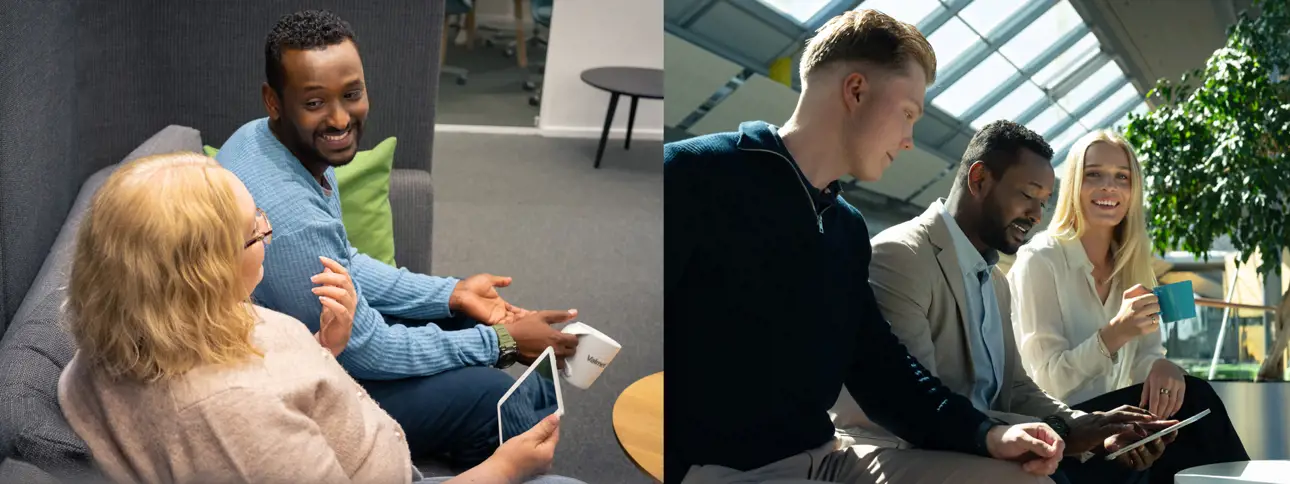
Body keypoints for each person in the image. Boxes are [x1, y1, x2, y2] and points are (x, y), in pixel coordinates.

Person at [666, 10, 1074, 484]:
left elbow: (883, 371)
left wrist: (986, 434)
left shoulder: (846, 227)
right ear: (856, 91)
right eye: (908, 114)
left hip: (827, 461)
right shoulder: (692, 176)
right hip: (722, 470)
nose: (909, 140)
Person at [56, 153, 583, 484]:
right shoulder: (229, 417)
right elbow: (243, 415)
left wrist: (321, 349)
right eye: (255, 229)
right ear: (202, 272)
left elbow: (265, 383)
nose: (269, 233)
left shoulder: (147, 321)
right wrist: (503, 469)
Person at [215, 10, 579, 467]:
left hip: (323, 344)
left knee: (471, 322)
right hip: (308, 384)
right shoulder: (287, 211)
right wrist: (502, 343)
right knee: (493, 397)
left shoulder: (260, 137)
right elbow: (367, 350)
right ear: (275, 100)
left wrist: (451, 293)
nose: (340, 118)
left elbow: (344, 259)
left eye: (352, 94)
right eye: (314, 103)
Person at [831, 121, 1180, 484]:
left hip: (983, 445)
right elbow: (921, 407)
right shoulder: (902, 256)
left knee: (1135, 464)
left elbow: (1016, 388)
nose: (1036, 215)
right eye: (1028, 195)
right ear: (979, 179)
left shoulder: (995, 280)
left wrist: (1091, 429)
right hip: (903, 451)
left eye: (1043, 201)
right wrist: (1064, 432)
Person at [1006, 130, 1250, 484]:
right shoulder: (1040, 260)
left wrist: (1162, 365)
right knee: (1199, 399)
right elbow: (1046, 382)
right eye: (1094, 174)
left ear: (1134, 190)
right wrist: (1113, 335)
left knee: (1184, 425)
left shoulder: (1134, 266)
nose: (1110, 187)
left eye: (1122, 177)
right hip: (1064, 427)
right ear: (1074, 182)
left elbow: (1144, 359)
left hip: (1119, 425)